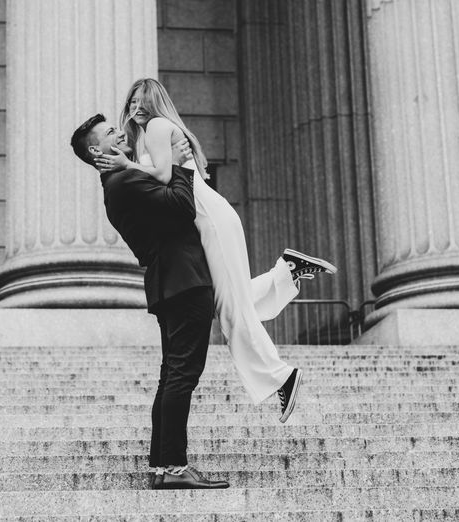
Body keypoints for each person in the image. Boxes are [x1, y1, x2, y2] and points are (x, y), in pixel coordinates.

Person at [93, 78, 336, 421]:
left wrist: (126, 166)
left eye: (142, 101)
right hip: (207, 222)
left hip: (212, 222)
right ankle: (286, 273)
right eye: (132, 101)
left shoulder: (159, 126)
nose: (135, 108)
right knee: (228, 302)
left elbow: (164, 175)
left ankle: (282, 376)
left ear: (155, 102)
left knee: (230, 310)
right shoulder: (149, 134)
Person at [71, 114, 229, 490]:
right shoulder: (124, 180)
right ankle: (174, 467)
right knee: (181, 376)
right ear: (97, 150)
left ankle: (163, 466)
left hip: (171, 283)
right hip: (184, 282)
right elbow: (180, 206)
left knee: (171, 376)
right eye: (111, 132)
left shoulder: (121, 180)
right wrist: (174, 162)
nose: (121, 132)